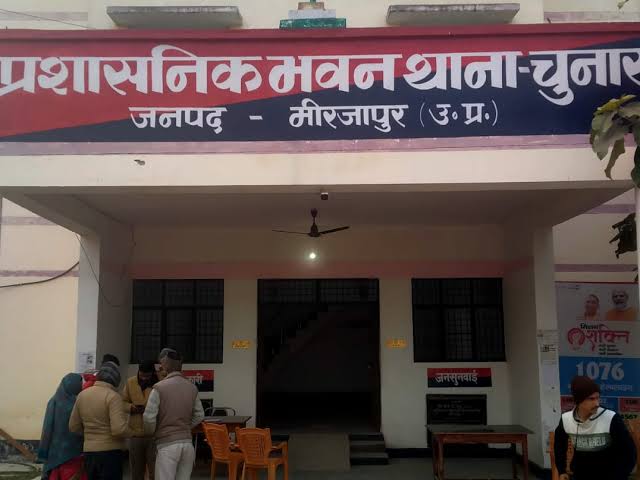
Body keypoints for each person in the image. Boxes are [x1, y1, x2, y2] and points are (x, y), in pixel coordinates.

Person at [554, 376, 636, 480]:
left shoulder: (611, 418)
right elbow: (559, 446)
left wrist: (620, 475)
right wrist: (562, 471)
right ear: (578, 400)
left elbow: (629, 453)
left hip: (610, 475)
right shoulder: (566, 419)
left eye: (598, 398)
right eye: (591, 399)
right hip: (580, 474)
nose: (597, 403)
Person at [143, 348, 204, 480]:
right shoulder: (192, 387)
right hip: (187, 445)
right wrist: (185, 427)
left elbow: (148, 418)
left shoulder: (159, 388)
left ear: (165, 366)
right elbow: (199, 415)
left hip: (166, 446)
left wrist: (153, 432)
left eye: (160, 366)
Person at [69, 361, 131, 480]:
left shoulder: (82, 395)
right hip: (110, 453)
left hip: (89, 452)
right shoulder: (113, 396)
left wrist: (90, 435)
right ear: (115, 381)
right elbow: (119, 429)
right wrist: (132, 432)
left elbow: (73, 426)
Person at [38, 373, 86, 480]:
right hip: (76, 453)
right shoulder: (80, 404)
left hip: (55, 452)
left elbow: (47, 428)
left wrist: (44, 452)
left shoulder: (53, 402)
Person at [122, 361, 158, 480]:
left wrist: (150, 409)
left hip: (154, 434)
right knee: (136, 472)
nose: (144, 378)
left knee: (155, 472)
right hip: (135, 434)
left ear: (152, 373)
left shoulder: (158, 383)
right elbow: (122, 402)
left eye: (147, 376)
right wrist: (131, 408)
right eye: (142, 375)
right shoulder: (130, 382)